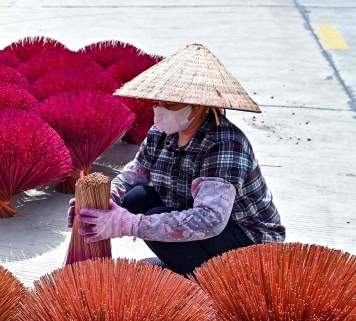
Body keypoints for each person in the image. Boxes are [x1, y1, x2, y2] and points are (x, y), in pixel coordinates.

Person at [71, 43, 285, 275]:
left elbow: (210, 219)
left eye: (170, 105)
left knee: (152, 217)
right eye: (156, 103)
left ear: (200, 106)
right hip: (207, 232)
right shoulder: (161, 134)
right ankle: (185, 267)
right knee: (137, 198)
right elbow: (132, 177)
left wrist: (130, 225)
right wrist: (97, 203)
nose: (161, 111)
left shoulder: (224, 144)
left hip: (249, 245)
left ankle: (202, 278)